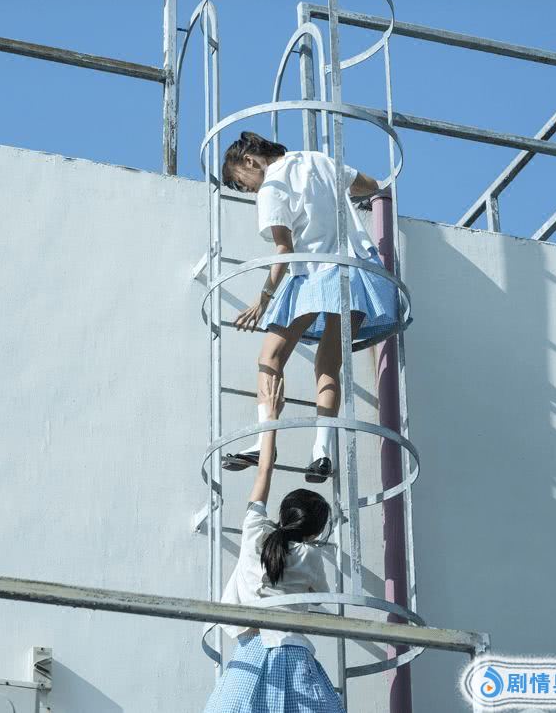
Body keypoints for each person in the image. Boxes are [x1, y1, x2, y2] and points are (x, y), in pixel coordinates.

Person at [221, 132, 398, 482]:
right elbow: (368, 184)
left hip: (312, 274)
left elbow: (284, 250)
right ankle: (322, 452)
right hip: (353, 271)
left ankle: (264, 443)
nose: (248, 190)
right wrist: (376, 194)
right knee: (329, 362)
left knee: (270, 357)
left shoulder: (272, 187)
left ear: (249, 161)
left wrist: (263, 298)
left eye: (242, 183)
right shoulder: (317, 160)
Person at [204, 374, 345, 713]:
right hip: (293, 655)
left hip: (251, 655)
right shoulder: (310, 555)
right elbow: (319, 601)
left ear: (284, 515)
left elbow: (263, 472)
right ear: (315, 531)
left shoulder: (256, 533)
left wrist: (270, 418)